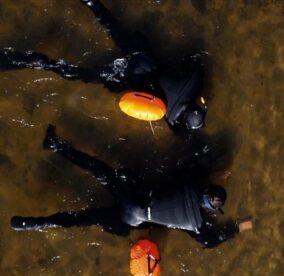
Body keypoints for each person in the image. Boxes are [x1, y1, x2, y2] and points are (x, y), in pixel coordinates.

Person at [10, 125, 252, 248]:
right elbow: (210, 242)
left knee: (98, 169)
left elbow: (193, 168)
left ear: (206, 190)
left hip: (131, 195)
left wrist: (212, 172)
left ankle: (55, 145)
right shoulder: (196, 225)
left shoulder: (190, 183)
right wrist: (236, 229)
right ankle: (33, 224)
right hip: (129, 218)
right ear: (210, 209)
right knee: (82, 218)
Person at [0, 0, 207, 133]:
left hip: (142, 58)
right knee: (78, 73)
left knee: (112, 26)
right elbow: (181, 133)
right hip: (123, 74)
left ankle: (90, 2)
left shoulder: (193, 82)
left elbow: (194, 63)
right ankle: (38, 62)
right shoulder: (170, 116)